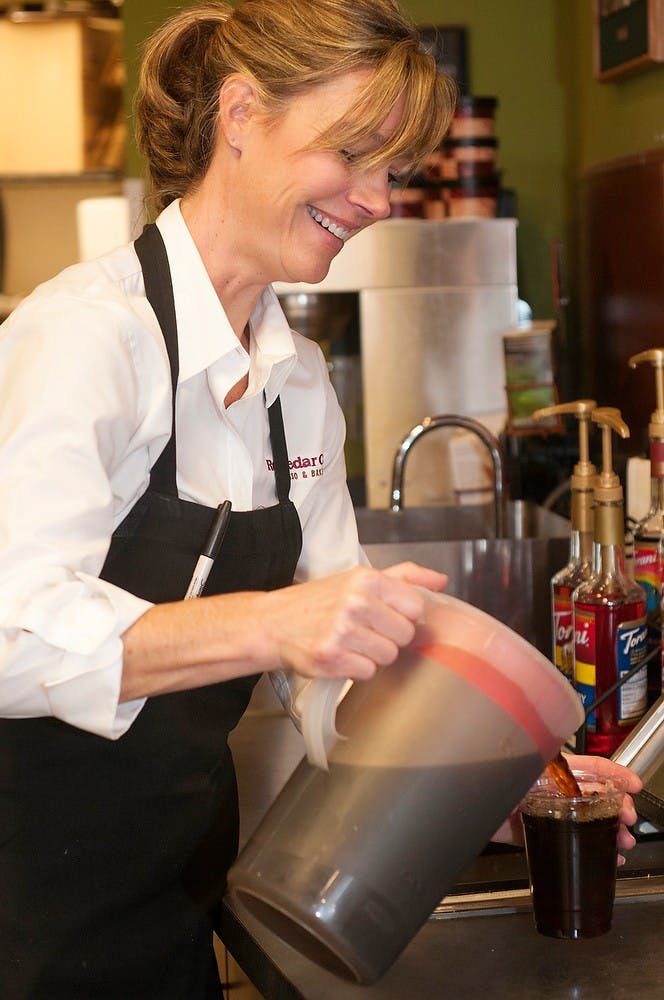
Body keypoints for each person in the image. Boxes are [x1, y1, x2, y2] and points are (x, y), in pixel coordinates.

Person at [0, 1, 641, 997]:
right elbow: (10, 635)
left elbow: (336, 679)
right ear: (242, 114)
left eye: (396, 170)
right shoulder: (88, 338)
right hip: (21, 910)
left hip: (167, 905)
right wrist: (269, 623)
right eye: (355, 153)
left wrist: (474, 783)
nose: (379, 198)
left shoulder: (295, 385)